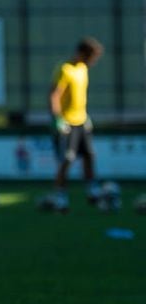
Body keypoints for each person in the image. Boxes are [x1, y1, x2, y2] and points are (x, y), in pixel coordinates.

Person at [48, 36, 104, 212]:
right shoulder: (64, 69)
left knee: (89, 156)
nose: (91, 62)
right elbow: (54, 95)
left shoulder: (83, 69)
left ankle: (92, 191)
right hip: (67, 123)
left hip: (81, 121)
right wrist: (58, 119)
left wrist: (86, 117)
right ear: (81, 53)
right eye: (89, 57)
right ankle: (60, 195)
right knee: (67, 159)